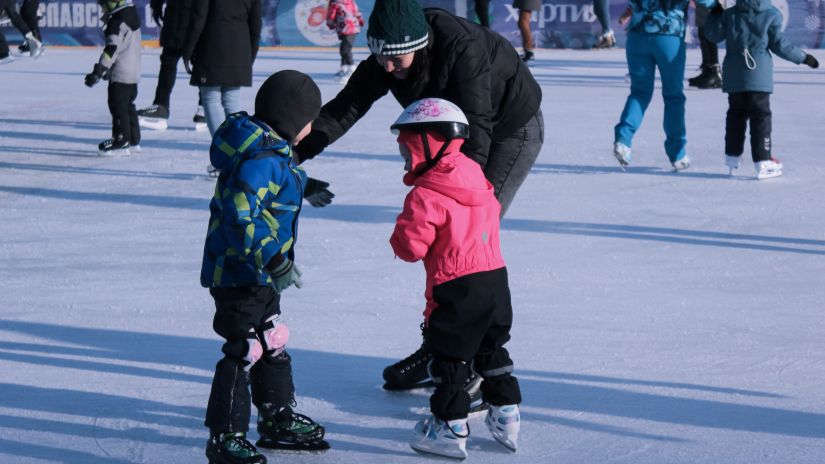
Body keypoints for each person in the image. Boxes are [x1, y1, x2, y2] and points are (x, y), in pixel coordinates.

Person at [292, 0, 543, 393]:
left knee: (468, 247)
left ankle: (474, 367)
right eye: (380, 59)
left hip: (509, 128)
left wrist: (445, 190)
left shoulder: (462, 48)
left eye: (395, 60)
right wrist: (293, 154)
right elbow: (346, 107)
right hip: (454, 140)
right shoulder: (388, 56)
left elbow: (476, 129)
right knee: (444, 252)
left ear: (421, 44)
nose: (387, 68)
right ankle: (440, 349)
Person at [200, 70, 334, 464]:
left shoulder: (269, 150)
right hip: (240, 273)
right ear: (293, 121)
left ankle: (276, 416)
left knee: (272, 339)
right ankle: (225, 435)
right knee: (244, 348)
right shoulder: (259, 159)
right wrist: (274, 258)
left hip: (259, 274)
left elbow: (279, 175)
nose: (311, 127)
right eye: (309, 119)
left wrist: (304, 185)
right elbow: (242, 212)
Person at [388, 98, 522, 459]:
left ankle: (449, 428)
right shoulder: (477, 177)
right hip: (496, 282)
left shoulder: (426, 194)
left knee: (452, 359)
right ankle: (507, 414)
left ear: (429, 142)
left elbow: (410, 247)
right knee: (491, 348)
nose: (405, 156)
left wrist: (400, 230)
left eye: (408, 147)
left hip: (457, 286)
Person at [704, 0, 819, 179]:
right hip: (758, 73)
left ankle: (732, 156)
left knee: (736, 114)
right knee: (760, 116)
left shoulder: (730, 14)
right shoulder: (771, 14)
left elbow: (712, 35)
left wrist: (713, 13)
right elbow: (781, 45)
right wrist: (804, 58)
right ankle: (763, 160)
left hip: (735, 73)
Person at [613, 0, 718, 171]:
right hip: (668, 37)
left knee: (639, 93)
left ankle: (623, 139)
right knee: (673, 96)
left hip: (637, 37)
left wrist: (631, 9)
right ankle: (677, 154)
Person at [182, 0, 261, 141]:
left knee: (211, 98)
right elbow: (256, 27)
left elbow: (198, 18)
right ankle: (237, 143)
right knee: (232, 100)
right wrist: (249, 56)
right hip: (239, 51)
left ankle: (222, 145)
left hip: (211, 48)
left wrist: (188, 50)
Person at [137, 0, 205, 131]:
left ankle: (205, 106)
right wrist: (156, 6)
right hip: (176, 20)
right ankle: (161, 106)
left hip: (197, 20)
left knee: (200, 63)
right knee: (169, 62)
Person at [84, 0, 141, 156]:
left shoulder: (116, 22)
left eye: (103, 3)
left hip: (121, 73)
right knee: (128, 105)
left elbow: (112, 49)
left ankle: (121, 140)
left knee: (118, 107)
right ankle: (134, 140)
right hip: (134, 72)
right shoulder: (131, 15)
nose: (101, 7)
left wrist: (99, 71)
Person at [325, 0, 364, 84]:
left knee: (345, 49)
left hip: (349, 28)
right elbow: (357, 12)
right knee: (344, 48)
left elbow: (331, 15)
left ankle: (352, 68)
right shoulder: (348, 1)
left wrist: (330, 24)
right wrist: (360, 20)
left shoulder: (335, 2)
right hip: (348, 28)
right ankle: (344, 68)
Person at [687, 3, 722, 89]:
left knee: (708, 33)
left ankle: (715, 73)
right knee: (702, 33)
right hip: (702, 5)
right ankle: (707, 70)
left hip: (710, 4)